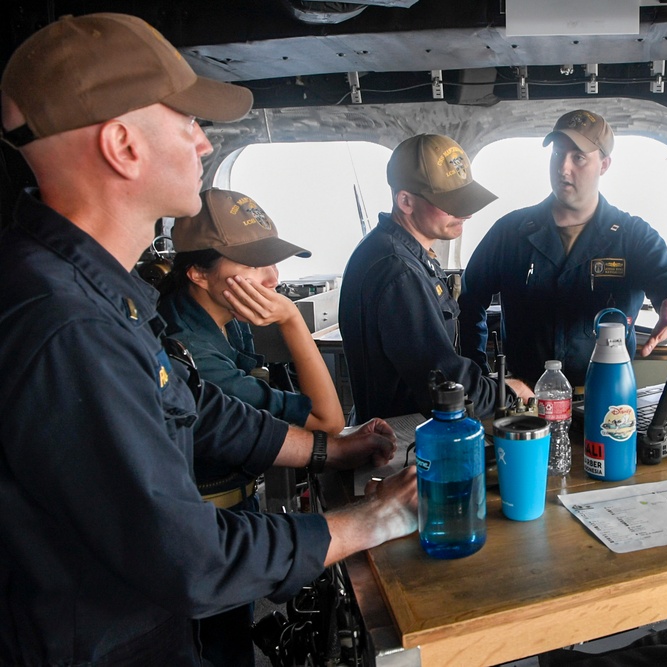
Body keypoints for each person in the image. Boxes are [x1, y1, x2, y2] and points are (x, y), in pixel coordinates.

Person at [0, 13, 416, 665]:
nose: (201, 143)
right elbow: (190, 559)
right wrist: (366, 522)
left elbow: (196, 406)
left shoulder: (94, 289)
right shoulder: (65, 323)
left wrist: (329, 450)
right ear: (122, 146)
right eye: (186, 120)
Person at [157, 187, 347, 666]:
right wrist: (290, 321)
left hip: (234, 510)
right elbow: (329, 422)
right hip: (204, 533)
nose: (272, 278)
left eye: (272, 261)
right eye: (255, 264)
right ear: (198, 272)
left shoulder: (218, 318)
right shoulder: (192, 351)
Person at [458, 109, 667, 389]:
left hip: (606, 395)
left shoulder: (632, 235)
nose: (563, 168)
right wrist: (477, 372)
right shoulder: (510, 232)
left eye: (578, 157)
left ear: (604, 164)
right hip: (525, 400)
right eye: (557, 154)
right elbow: (468, 300)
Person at [340, 133, 533, 422]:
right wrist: (508, 393)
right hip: (402, 442)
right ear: (406, 201)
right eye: (451, 202)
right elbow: (443, 383)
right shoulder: (398, 270)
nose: (466, 213)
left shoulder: (400, 253)